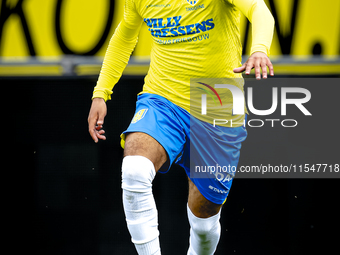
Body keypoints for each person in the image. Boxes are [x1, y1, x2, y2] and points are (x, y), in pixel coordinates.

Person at [88, 0, 274, 254]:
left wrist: (260, 49)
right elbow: (124, 35)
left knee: (204, 224)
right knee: (134, 170)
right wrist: (101, 92)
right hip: (163, 98)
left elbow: (259, 9)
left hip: (217, 106)